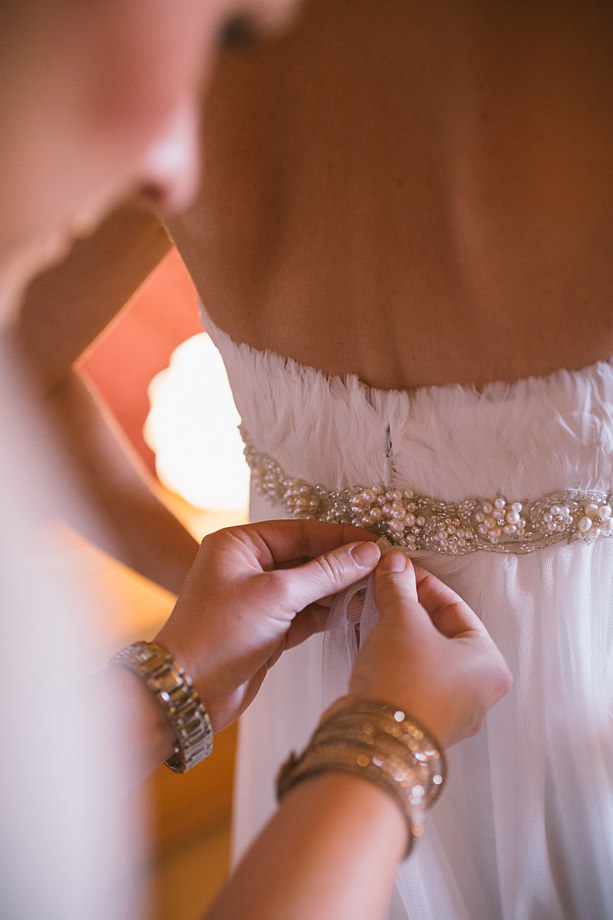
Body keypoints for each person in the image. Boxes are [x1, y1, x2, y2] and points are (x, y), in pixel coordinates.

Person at [15, 2, 613, 917]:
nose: (167, 167)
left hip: (309, 690)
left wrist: (198, 616)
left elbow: (18, 359)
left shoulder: (188, 37)